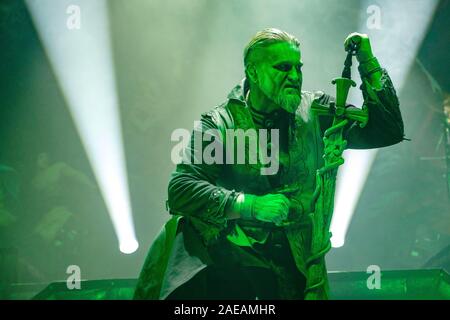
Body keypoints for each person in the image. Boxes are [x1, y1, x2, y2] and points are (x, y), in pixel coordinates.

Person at [134, 28, 405, 300]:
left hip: (299, 265)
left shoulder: (316, 111)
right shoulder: (219, 124)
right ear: (253, 72)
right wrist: (250, 205)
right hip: (233, 266)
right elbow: (180, 189)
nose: (295, 77)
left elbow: (387, 130)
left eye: (298, 68)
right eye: (283, 68)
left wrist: (367, 61)